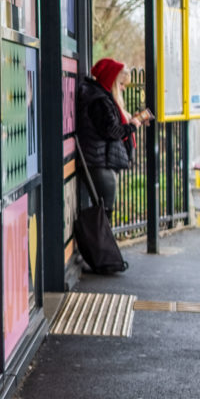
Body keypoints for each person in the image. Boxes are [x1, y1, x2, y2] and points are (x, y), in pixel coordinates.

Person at [75, 57, 153, 272]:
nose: (122, 89)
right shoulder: (99, 100)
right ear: (110, 80)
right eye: (120, 84)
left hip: (100, 159)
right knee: (104, 212)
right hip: (98, 161)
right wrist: (133, 125)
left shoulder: (99, 97)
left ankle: (102, 257)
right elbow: (110, 131)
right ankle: (102, 258)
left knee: (104, 211)